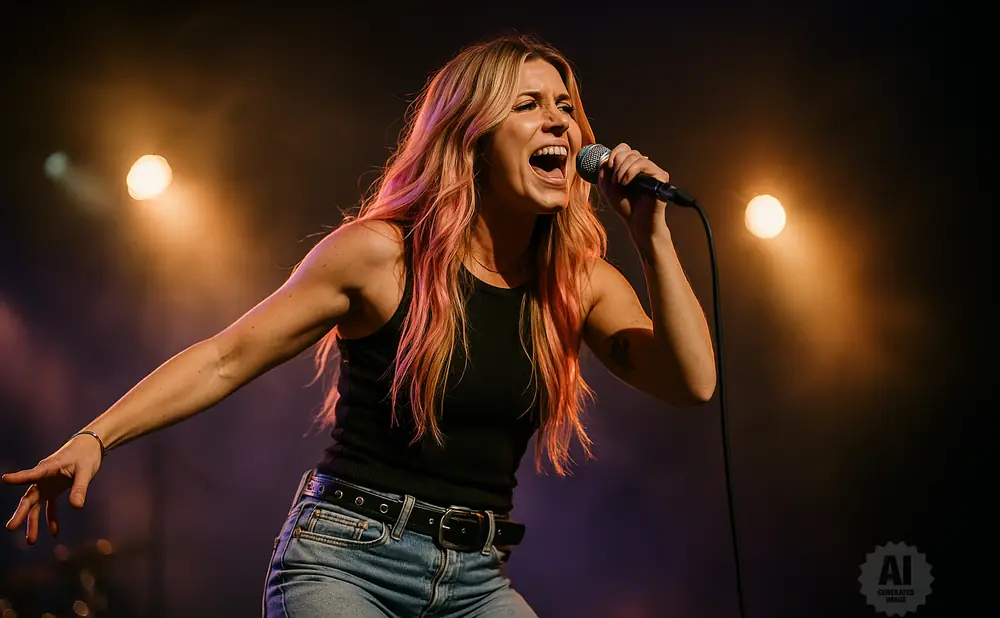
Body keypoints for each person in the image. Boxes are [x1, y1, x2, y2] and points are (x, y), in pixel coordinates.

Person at [3, 35, 716, 617]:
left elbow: (693, 383)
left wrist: (652, 236)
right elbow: (227, 357)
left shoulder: (578, 284)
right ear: (471, 136)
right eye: (528, 105)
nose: (560, 121)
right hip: (346, 563)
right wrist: (97, 435)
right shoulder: (381, 256)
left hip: (476, 580)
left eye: (566, 106)